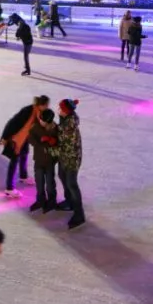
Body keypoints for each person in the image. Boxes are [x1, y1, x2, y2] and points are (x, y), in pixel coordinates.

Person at [0, 96, 48, 197]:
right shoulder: (27, 111)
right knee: (14, 161)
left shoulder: (38, 112)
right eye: (46, 105)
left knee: (25, 154)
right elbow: (12, 123)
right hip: (16, 139)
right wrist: (4, 137)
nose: (47, 107)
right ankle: (9, 188)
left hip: (24, 138)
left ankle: (23, 176)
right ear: (41, 105)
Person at [56, 98, 85, 229]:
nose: (59, 110)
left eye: (61, 109)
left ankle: (79, 214)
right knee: (61, 175)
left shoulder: (70, 125)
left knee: (72, 183)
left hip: (72, 158)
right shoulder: (66, 119)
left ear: (66, 111)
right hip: (64, 156)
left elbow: (60, 138)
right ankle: (70, 201)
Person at [28, 108, 58, 212]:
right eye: (40, 119)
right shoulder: (36, 127)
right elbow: (30, 137)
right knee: (39, 182)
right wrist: (39, 142)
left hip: (50, 162)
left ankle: (51, 201)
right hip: (38, 160)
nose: (40, 121)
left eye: (43, 120)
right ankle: (40, 200)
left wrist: (52, 141)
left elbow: (59, 144)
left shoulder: (55, 129)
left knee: (50, 184)